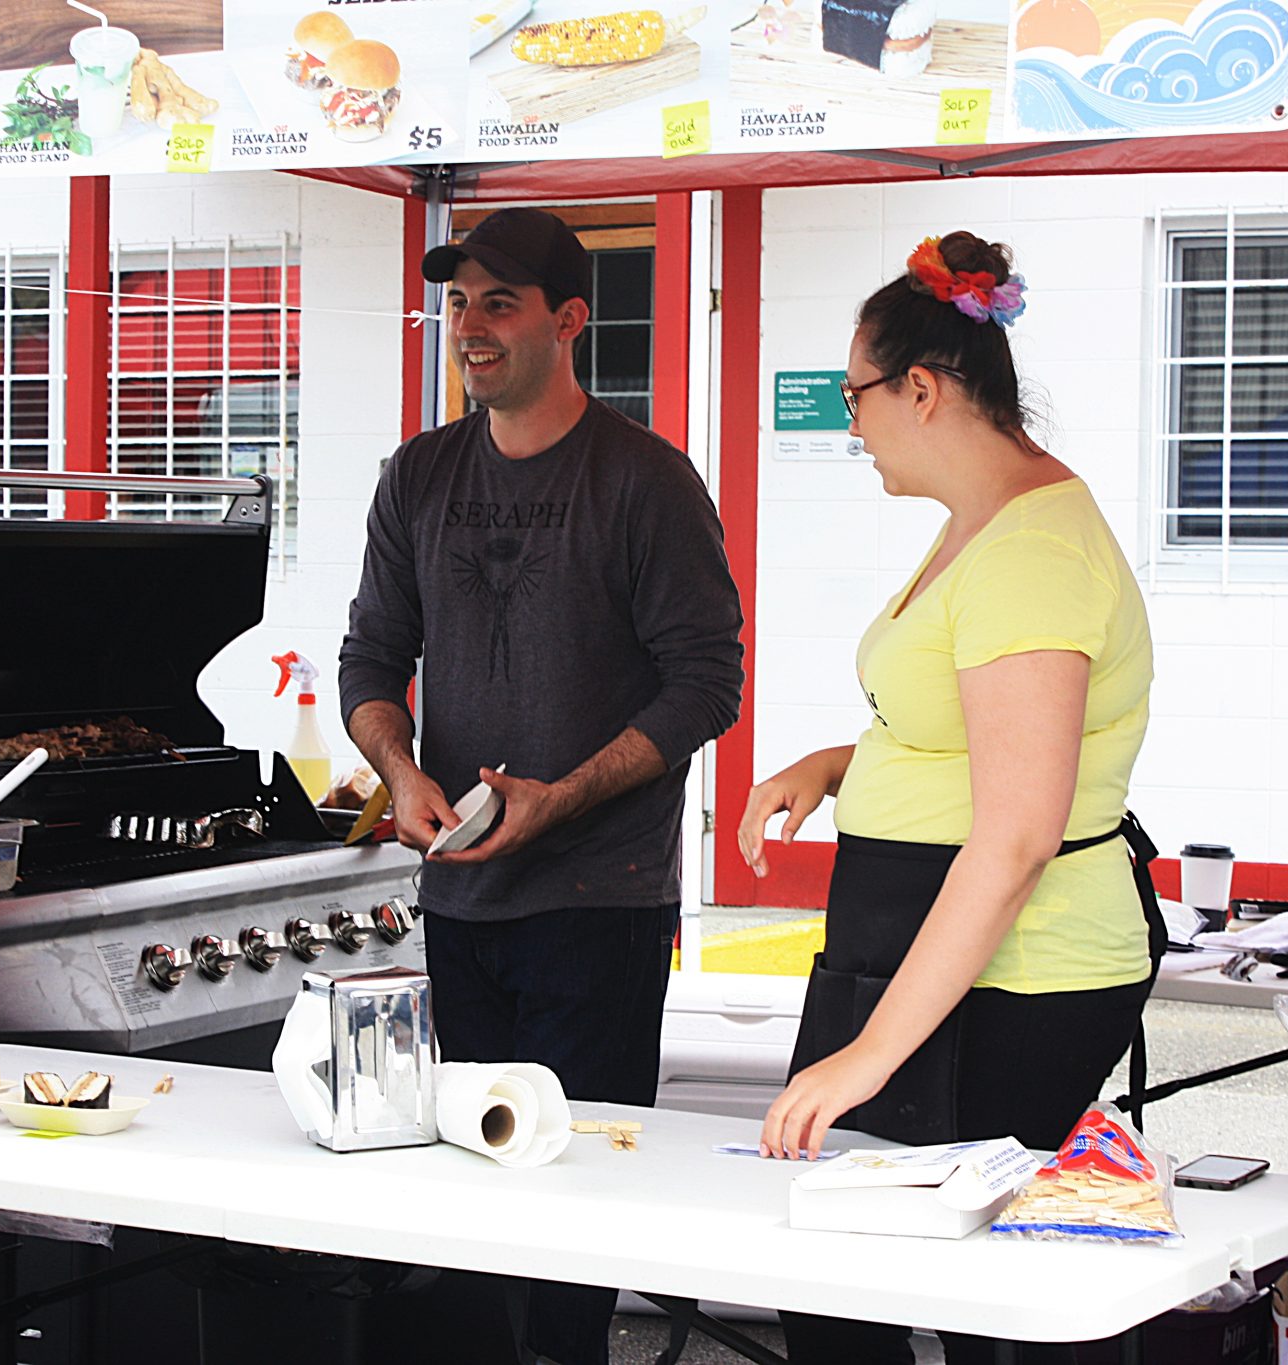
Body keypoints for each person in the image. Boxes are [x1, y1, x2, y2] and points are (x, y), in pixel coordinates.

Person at [736, 232, 1161, 1365]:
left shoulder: (1031, 556)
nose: (852, 425)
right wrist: (837, 766)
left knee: (968, 1300)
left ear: (919, 389)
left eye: (856, 396)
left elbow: (1016, 834)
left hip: (1017, 973)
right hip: (916, 941)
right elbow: (966, 728)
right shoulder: (980, 524)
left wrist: (870, 1053)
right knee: (840, 1276)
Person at [339, 207, 743, 1364]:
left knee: (575, 1195)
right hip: (459, 898)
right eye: (457, 303)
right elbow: (370, 658)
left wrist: (561, 796)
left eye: (498, 304)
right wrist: (400, 769)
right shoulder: (417, 475)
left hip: (598, 901)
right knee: (467, 1186)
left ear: (568, 320)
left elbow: (706, 683)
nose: (468, 326)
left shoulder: (644, 480)